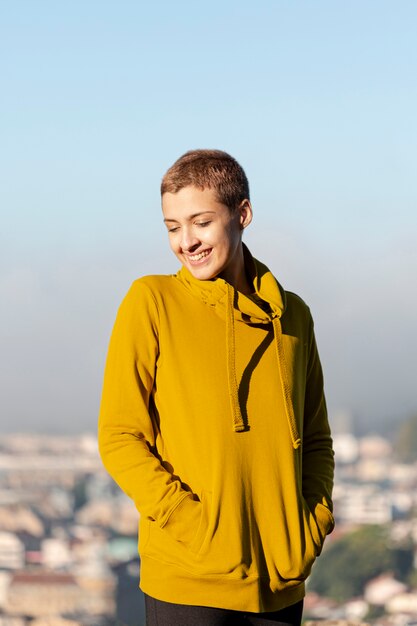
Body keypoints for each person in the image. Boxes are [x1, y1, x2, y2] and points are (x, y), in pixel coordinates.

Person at [98, 149, 335, 626]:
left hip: (281, 583)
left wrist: (311, 526)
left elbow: (316, 440)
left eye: (200, 222)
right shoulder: (151, 302)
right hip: (189, 578)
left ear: (241, 214)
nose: (186, 241)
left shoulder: (294, 317)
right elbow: (120, 437)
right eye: (171, 227)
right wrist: (196, 529)